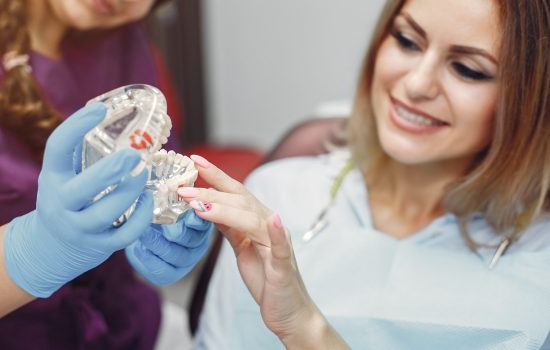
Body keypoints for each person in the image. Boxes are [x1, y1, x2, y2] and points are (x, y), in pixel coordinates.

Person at [180, 0, 550, 349]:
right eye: (406, 40)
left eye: (468, 69)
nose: (417, 85)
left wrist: (306, 329)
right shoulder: (276, 195)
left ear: (531, 99)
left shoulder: (541, 263)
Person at [0, 0, 211, 348]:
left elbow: (154, 169)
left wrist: (163, 222)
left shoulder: (121, 38)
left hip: (130, 328)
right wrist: (32, 253)